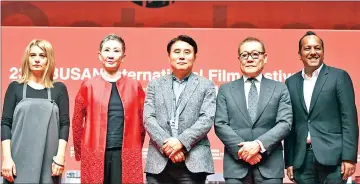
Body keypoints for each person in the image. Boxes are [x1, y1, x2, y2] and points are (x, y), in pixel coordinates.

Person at [214, 37, 293, 184]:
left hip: (270, 166)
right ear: (239, 59)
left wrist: (258, 145)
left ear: (265, 57)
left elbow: (285, 123)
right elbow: (220, 124)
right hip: (236, 166)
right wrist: (244, 152)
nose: (250, 59)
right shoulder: (225, 89)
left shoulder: (280, 88)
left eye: (255, 54)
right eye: (245, 55)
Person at [284, 31, 359, 184]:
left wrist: (349, 158)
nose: (313, 52)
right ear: (299, 54)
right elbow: (290, 125)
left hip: (334, 158)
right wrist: (289, 161)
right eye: (307, 48)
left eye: (317, 48)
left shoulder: (339, 77)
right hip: (302, 160)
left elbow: (349, 119)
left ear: (323, 52)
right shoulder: (290, 82)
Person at [72, 33, 145, 184]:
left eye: (116, 51)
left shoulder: (134, 86)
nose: (111, 55)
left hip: (125, 152)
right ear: (100, 55)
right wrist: (81, 152)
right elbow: (77, 121)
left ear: (123, 57)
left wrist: (136, 148)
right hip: (94, 152)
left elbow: (143, 122)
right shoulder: (88, 85)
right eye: (107, 50)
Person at [143, 35, 216, 184]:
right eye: (177, 52)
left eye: (187, 52)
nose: (181, 56)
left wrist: (180, 142)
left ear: (194, 57)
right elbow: (148, 118)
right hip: (159, 160)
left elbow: (206, 119)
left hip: (193, 161)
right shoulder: (155, 85)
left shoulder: (206, 85)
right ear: (169, 56)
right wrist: (168, 145)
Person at [1, 39, 69, 183]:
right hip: (18, 160)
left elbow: (64, 124)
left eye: (42, 55)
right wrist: (7, 158)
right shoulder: (15, 87)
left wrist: (60, 157)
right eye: (33, 55)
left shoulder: (59, 89)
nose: (37, 59)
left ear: (48, 59)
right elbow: (5, 124)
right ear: (27, 58)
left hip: (49, 161)